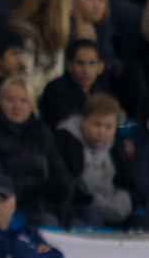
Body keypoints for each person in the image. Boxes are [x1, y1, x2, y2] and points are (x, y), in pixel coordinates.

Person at [0, 75, 71, 226]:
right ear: (0, 103)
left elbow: (59, 169)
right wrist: (35, 192)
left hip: (43, 206)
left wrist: (63, 190)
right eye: (10, 100)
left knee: (87, 218)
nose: (17, 106)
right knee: (49, 222)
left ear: (31, 106)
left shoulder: (42, 133)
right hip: (8, 209)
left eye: (23, 101)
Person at [55, 93, 141, 227]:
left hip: (111, 204)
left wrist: (129, 200)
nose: (102, 132)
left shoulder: (117, 145)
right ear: (83, 121)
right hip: (79, 208)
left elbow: (129, 183)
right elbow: (64, 182)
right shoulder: (65, 140)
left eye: (108, 127)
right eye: (96, 124)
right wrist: (90, 201)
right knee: (93, 214)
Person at [8, 0, 73, 99]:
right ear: (57, 5)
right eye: (69, 1)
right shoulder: (24, 33)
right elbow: (25, 81)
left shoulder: (58, 34)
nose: (72, 8)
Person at [39, 39, 108, 129]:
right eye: (80, 63)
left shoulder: (101, 93)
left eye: (91, 63)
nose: (86, 71)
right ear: (69, 65)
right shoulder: (55, 91)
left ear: (100, 67)